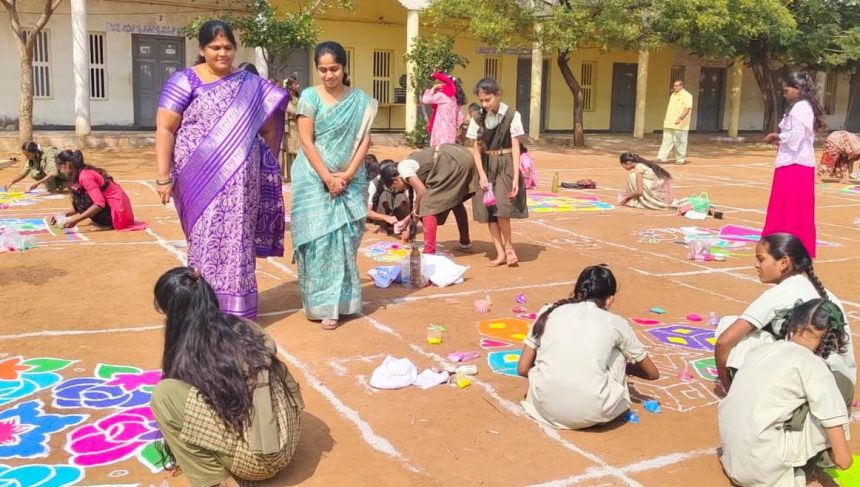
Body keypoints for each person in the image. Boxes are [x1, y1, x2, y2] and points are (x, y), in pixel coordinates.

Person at [154, 19, 288, 319]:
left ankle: (238, 310)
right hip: (197, 181)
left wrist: (262, 162)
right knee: (204, 243)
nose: (222, 53)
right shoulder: (184, 81)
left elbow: (269, 127)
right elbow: (165, 128)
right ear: (202, 49)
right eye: (215, 47)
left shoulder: (250, 85)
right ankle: (204, 308)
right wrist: (163, 175)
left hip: (243, 184)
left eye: (228, 47)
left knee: (238, 241)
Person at [150, 267, 304, 487]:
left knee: (165, 396)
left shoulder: (192, 348)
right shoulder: (244, 326)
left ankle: (219, 481)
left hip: (260, 460)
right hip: (286, 441)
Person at [290, 41, 377, 330]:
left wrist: (347, 174)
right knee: (318, 242)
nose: (329, 75)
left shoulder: (360, 100)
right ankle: (322, 305)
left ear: (344, 67)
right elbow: (305, 140)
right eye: (323, 70)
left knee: (345, 241)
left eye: (334, 69)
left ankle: (344, 302)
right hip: (314, 179)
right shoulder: (309, 97)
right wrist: (327, 177)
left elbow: (364, 140)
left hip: (350, 178)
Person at [718, 299, 852, 487]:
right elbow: (843, 461)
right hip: (766, 473)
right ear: (832, 337)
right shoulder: (814, 365)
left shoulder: (760, 350)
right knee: (842, 384)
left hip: (734, 462)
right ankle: (804, 474)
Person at [516, 265, 660, 429]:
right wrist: (628, 369)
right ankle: (587, 397)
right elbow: (652, 373)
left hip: (543, 407)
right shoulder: (616, 322)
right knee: (618, 350)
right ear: (610, 299)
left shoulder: (548, 311)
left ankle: (559, 387)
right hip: (594, 412)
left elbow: (522, 368)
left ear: (577, 291)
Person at [714, 233, 855, 393]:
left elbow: (723, 342)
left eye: (761, 259)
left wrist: (726, 384)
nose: (756, 265)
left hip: (809, 382)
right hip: (840, 383)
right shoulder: (827, 294)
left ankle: (749, 389)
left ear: (783, 262)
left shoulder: (781, 292)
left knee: (730, 324)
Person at [466, 78, 528, 267]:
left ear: (498, 95)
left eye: (488, 99)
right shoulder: (477, 117)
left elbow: (516, 147)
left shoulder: (512, 115)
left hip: (506, 163)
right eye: (482, 100)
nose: (485, 104)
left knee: (502, 206)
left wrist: (516, 177)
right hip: (486, 164)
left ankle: (509, 248)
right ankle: (500, 252)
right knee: (489, 210)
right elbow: (475, 149)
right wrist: (482, 174)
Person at [762, 72, 824, 259]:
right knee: (792, 206)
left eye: (786, 90)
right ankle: (787, 243)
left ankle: (786, 243)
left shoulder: (800, 108)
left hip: (795, 164)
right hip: (795, 162)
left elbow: (796, 136)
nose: (784, 93)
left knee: (790, 206)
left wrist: (778, 136)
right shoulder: (802, 107)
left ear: (797, 89)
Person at [379, 144, 475, 255]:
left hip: (452, 161)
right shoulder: (408, 165)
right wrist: (408, 221)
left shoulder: (403, 168)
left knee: (427, 205)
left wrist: (413, 218)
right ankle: (465, 242)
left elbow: (422, 193)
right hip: (462, 155)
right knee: (455, 201)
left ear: (395, 180)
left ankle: (429, 252)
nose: (397, 190)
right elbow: (418, 202)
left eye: (394, 188)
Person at [49, 150, 135, 231]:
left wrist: (75, 220)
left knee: (82, 197)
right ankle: (104, 220)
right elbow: (80, 206)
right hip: (117, 208)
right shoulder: (79, 174)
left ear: (67, 165)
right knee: (78, 194)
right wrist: (63, 214)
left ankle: (106, 223)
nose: (60, 171)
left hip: (118, 212)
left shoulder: (85, 176)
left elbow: (99, 204)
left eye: (60, 167)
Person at [367, 156, 412, 240]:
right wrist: (385, 218)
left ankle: (402, 227)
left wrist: (407, 225)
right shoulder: (374, 183)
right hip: (383, 217)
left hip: (402, 219)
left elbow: (415, 207)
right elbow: (367, 211)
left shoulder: (403, 180)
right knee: (385, 195)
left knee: (401, 196)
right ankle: (383, 227)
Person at [656, 80, 693, 165]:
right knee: (666, 141)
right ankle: (662, 157)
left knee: (680, 142)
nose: (674, 87)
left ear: (681, 86)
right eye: (674, 86)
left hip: (680, 124)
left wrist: (680, 118)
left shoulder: (687, 95)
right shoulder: (673, 95)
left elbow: (687, 108)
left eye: (676, 86)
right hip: (669, 123)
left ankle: (680, 159)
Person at [422, 71, 465, 146]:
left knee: (438, 151)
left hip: (441, 131)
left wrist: (433, 89)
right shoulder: (454, 98)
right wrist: (457, 128)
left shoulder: (442, 96)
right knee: (447, 151)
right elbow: (460, 117)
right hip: (451, 131)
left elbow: (426, 99)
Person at [283, 76, 301, 182]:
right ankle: (289, 176)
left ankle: (297, 175)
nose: (298, 86)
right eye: (295, 84)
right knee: (290, 151)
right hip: (291, 128)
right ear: (290, 86)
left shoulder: (299, 97)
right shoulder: (286, 98)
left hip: (299, 127)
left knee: (299, 151)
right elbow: (293, 110)